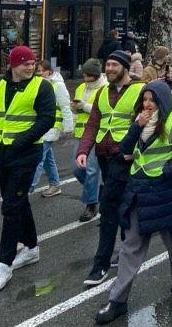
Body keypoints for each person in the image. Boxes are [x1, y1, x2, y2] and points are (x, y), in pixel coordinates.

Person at [94, 80, 172, 324]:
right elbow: (125, 150)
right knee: (131, 246)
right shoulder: (139, 122)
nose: (147, 104)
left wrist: (168, 170)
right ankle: (117, 301)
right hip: (138, 191)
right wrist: (135, 127)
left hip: (163, 191)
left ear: (162, 100)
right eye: (145, 99)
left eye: (152, 100)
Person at [0, 46, 56, 292]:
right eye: (25, 63)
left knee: (11, 207)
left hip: (25, 154)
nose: (30, 67)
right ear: (13, 64)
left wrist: (19, 141)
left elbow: (46, 120)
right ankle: (32, 248)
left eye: (33, 63)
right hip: (2, 155)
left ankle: (4, 263)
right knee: (17, 200)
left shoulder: (42, 87)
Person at [77, 51, 145, 287]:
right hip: (103, 156)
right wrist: (83, 151)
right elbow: (93, 122)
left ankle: (100, 264)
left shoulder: (140, 91)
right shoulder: (102, 93)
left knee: (108, 207)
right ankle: (126, 248)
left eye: (115, 64)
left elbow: (150, 122)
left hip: (125, 157)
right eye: (107, 64)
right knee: (122, 206)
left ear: (126, 68)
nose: (110, 68)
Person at [31, 60, 74, 197]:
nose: (39, 73)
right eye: (37, 71)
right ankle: (55, 185)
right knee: (47, 158)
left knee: (38, 157)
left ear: (49, 71)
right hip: (42, 125)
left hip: (52, 126)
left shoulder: (58, 85)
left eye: (41, 71)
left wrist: (68, 127)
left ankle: (28, 187)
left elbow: (65, 107)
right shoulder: (38, 84)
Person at [72, 58, 107, 222]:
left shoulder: (105, 89)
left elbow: (101, 111)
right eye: (84, 75)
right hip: (80, 133)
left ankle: (91, 204)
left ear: (96, 75)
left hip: (96, 133)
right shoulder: (80, 87)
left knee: (92, 169)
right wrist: (75, 107)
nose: (85, 79)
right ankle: (96, 190)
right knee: (77, 170)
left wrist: (83, 106)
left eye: (88, 76)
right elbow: (77, 110)